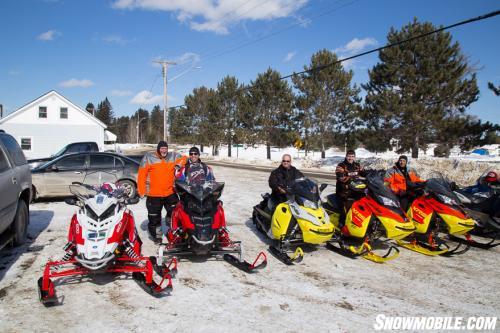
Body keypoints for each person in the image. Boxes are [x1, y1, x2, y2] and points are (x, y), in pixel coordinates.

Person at [137, 140, 187, 242]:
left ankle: (173, 231)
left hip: (170, 193)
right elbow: (142, 175)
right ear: (158, 149)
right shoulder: (148, 158)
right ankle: (157, 236)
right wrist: (141, 190)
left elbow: (184, 158)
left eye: (165, 148)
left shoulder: (173, 156)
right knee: (154, 217)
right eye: (162, 148)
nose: (164, 150)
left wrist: (179, 165)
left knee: (176, 213)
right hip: (153, 195)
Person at [335, 149, 366, 223]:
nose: (351, 158)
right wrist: (350, 181)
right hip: (344, 192)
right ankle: (342, 224)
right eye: (349, 156)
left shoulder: (357, 165)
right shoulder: (341, 165)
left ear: (354, 157)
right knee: (346, 210)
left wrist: (373, 173)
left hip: (356, 190)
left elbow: (364, 172)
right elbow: (340, 177)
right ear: (346, 156)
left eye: (352, 156)